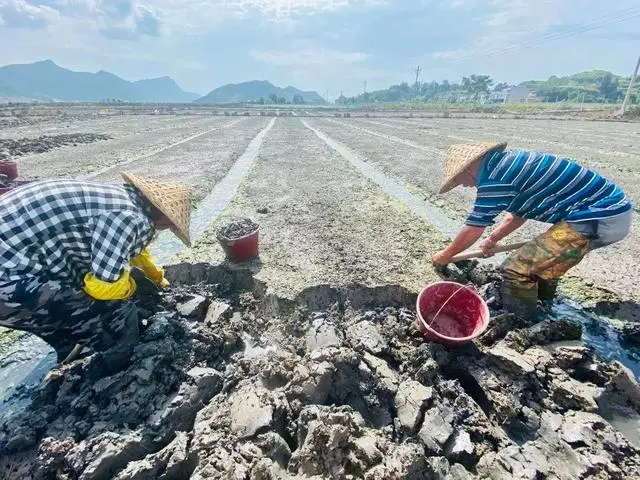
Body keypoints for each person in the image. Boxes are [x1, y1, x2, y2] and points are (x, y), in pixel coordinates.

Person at [0, 172, 192, 362]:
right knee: (119, 316)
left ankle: (69, 352)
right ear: (164, 217)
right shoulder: (128, 217)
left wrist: (158, 280)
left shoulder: (121, 199)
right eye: (170, 225)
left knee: (69, 315)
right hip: (9, 284)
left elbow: (136, 253)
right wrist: (132, 290)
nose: (168, 228)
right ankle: (120, 372)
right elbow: (104, 288)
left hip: (14, 268)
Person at [432, 142, 632, 319]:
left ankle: (525, 321)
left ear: (468, 169)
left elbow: (473, 228)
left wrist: (445, 255)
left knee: (516, 269)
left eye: (460, 180)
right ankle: (545, 307)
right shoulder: (507, 165)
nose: (465, 186)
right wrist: (493, 239)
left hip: (597, 218)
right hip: (608, 214)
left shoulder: (494, 178)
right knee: (542, 265)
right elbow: (518, 213)